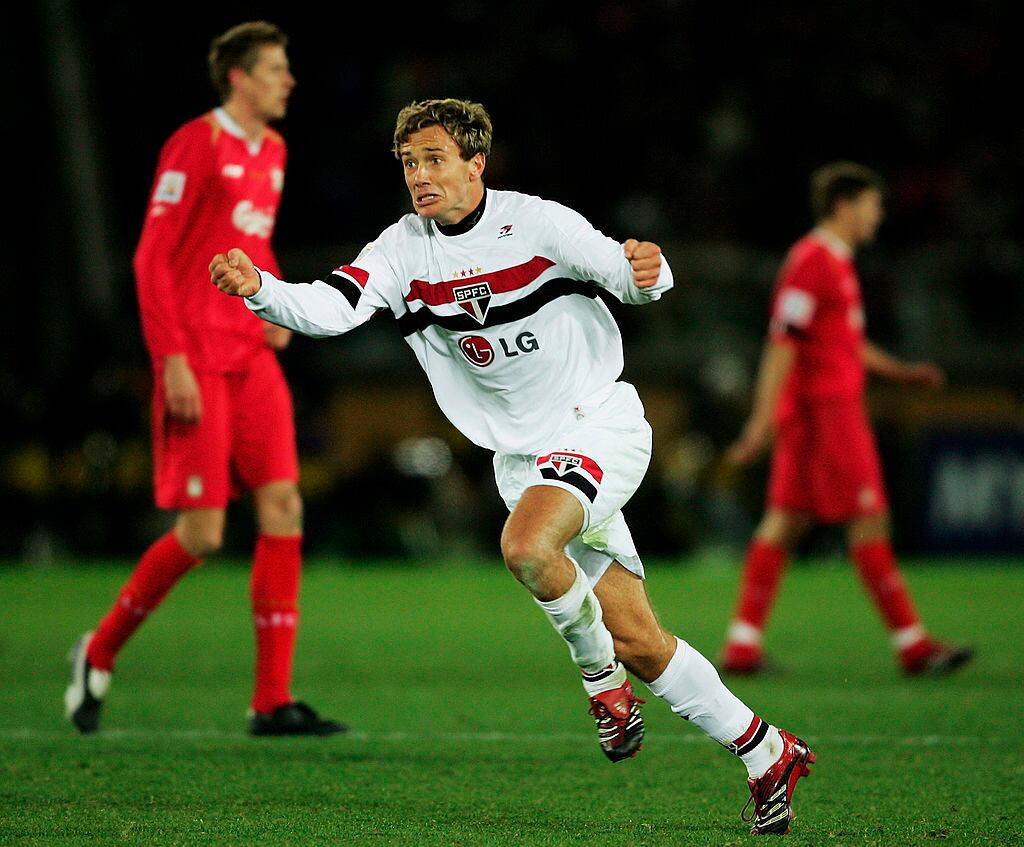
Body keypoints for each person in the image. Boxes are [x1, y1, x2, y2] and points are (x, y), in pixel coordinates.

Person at [211, 98, 815, 835]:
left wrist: (649, 271)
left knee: (528, 548)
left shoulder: (538, 223)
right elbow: (334, 305)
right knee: (638, 638)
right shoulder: (403, 248)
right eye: (408, 163)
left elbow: (628, 277)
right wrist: (260, 290)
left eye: (434, 159)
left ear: (475, 164)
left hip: (599, 423)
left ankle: (603, 689)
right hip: (524, 458)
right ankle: (765, 750)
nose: (420, 176)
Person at [65, 21, 345, 737]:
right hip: (195, 356)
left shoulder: (273, 151)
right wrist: (171, 359)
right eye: (277, 69)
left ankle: (271, 699)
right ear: (239, 78)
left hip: (251, 354)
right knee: (201, 532)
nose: (289, 81)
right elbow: (151, 257)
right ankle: (97, 651)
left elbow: (250, 240)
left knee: (284, 505)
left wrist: (275, 297)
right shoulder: (197, 144)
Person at [720, 161, 974, 677]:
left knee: (786, 520)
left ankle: (743, 645)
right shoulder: (814, 260)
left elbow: (842, 341)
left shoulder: (832, 261)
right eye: (872, 205)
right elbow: (783, 342)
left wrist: (899, 372)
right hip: (826, 413)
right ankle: (912, 645)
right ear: (845, 205)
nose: (878, 216)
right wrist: (761, 422)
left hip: (815, 410)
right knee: (870, 518)